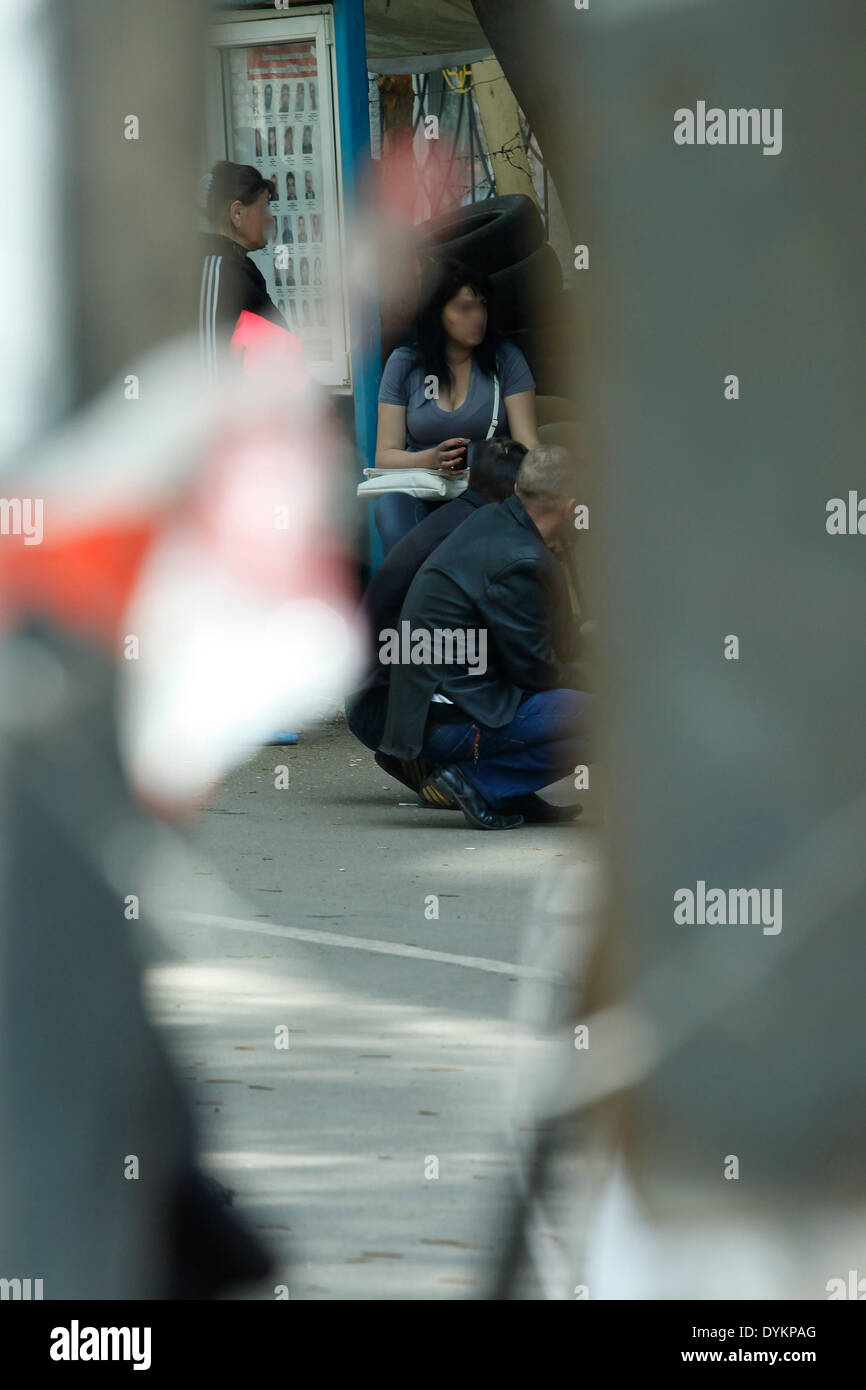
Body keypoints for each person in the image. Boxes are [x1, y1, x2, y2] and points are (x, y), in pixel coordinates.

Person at [379, 445, 591, 830]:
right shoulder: (523, 558)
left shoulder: (494, 520)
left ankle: (508, 788)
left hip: (430, 707)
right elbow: (536, 672)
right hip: (447, 721)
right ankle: (481, 783)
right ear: (570, 506)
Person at [346, 439, 527, 783]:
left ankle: (429, 764)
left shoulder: (457, 518)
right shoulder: (480, 535)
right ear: (520, 490)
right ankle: (470, 776)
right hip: (384, 707)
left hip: (370, 696)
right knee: (538, 700)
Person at [372, 259, 539, 556]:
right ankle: (411, 597)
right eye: (465, 308)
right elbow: (384, 457)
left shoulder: (505, 360)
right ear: (438, 315)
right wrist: (431, 458)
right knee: (392, 514)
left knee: (477, 537)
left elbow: (528, 443)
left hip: (485, 484)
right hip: (420, 484)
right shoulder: (404, 363)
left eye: (482, 306)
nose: (478, 317)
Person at [199, 161, 288, 372]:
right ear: (237, 213)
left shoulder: (239, 267)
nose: (269, 219)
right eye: (264, 207)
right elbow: (211, 362)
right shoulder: (217, 269)